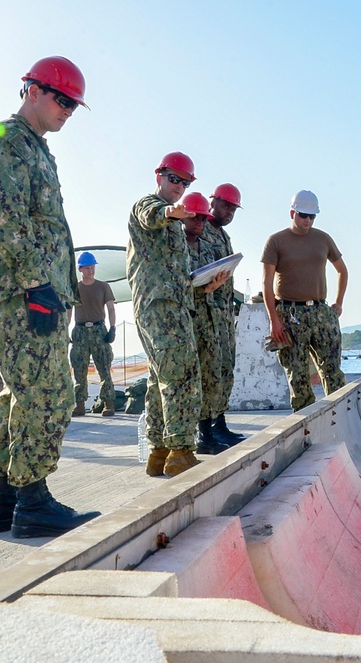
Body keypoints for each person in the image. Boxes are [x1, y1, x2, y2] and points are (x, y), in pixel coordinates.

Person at [0, 56, 100, 537]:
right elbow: (2, 215)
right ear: (33, 90)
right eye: (62, 99)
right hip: (28, 293)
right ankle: (34, 503)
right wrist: (37, 285)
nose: (69, 110)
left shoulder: (37, 149)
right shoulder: (6, 140)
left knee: (18, 398)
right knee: (50, 395)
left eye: (73, 104)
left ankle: (2, 501)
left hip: (37, 291)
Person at [127, 152, 204, 477]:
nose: (178, 186)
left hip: (170, 302)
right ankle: (181, 451)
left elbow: (173, 271)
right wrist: (170, 211)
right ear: (159, 176)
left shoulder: (174, 226)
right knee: (180, 376)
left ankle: (159, 451)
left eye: (184, 182)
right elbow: (151, 215)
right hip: (161, 307)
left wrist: (204, 284)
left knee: (161, 378)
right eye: (173, 179)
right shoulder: (149, 205)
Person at [261, 190, 347, 411]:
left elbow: (342, 271)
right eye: (303, 215)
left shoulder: (323, 238)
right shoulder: (276, 241)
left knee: (333, 372)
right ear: (292, 213)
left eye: (312, 216)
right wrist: (274, 321)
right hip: (290, 314)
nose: (307, 220)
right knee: (297, 376)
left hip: (321, 312)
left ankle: (337, 421)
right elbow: (266, 284)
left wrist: (338, 303)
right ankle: (304, 430)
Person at [181, 193, 233, 454]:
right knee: (202, 375)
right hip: (194, 318)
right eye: (196, 218)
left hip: (214, 314)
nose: (200, 223)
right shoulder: (177, 245)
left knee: (217, 372)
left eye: (203, 219)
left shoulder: (211, 244)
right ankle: (204, 435)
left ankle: (215, 428)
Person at [203, 183, 246, 443]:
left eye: (233, 208)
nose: (229, 212)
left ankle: (219, 423)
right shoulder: (201, 230)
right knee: (210, 373)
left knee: (225, 370)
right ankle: (206, 431)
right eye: (226, 205)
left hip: (223, 315)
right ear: (214, 202)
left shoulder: (221, 235)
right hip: (207, 314)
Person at [68, 251, 117, 418]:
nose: (90, 271)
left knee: (104, 367)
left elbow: (111, 308)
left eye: (92, 267)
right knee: (79, 368)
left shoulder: (103, 286)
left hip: (99, 330)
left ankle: (108, 404)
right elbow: (69, 309)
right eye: (87, 268)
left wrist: (112, 328)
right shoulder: (75, 288)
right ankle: (80, 404)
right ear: (80, 269)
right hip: (80, 331)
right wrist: (66, 331)